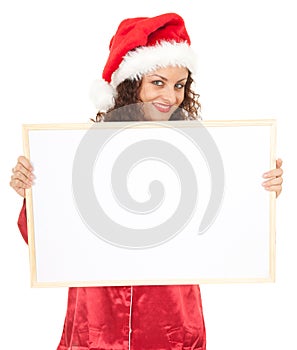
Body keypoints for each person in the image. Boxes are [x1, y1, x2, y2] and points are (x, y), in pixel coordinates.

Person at [10, 13, 283, 350]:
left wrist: (260, 190)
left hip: (170, 321)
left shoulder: (197, 150)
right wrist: (32, 194)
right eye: (158, 82)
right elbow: (46, 240)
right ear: (131, 84)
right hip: (97, 322)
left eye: (179, 85)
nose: (171, 95)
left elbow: (224, 227)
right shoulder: (82, 149)